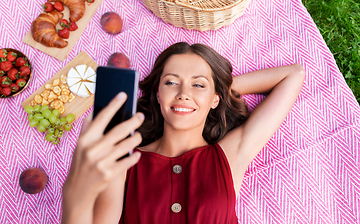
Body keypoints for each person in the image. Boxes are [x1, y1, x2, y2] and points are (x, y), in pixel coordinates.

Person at [61, 42, 305, 223]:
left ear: (215, 99)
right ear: (157, 95)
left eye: (197, 84)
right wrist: (76, 191)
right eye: (171, 82)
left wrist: (213, 94)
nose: (183, 93)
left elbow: (293, 75)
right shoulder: (125, 161)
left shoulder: (229, 156)